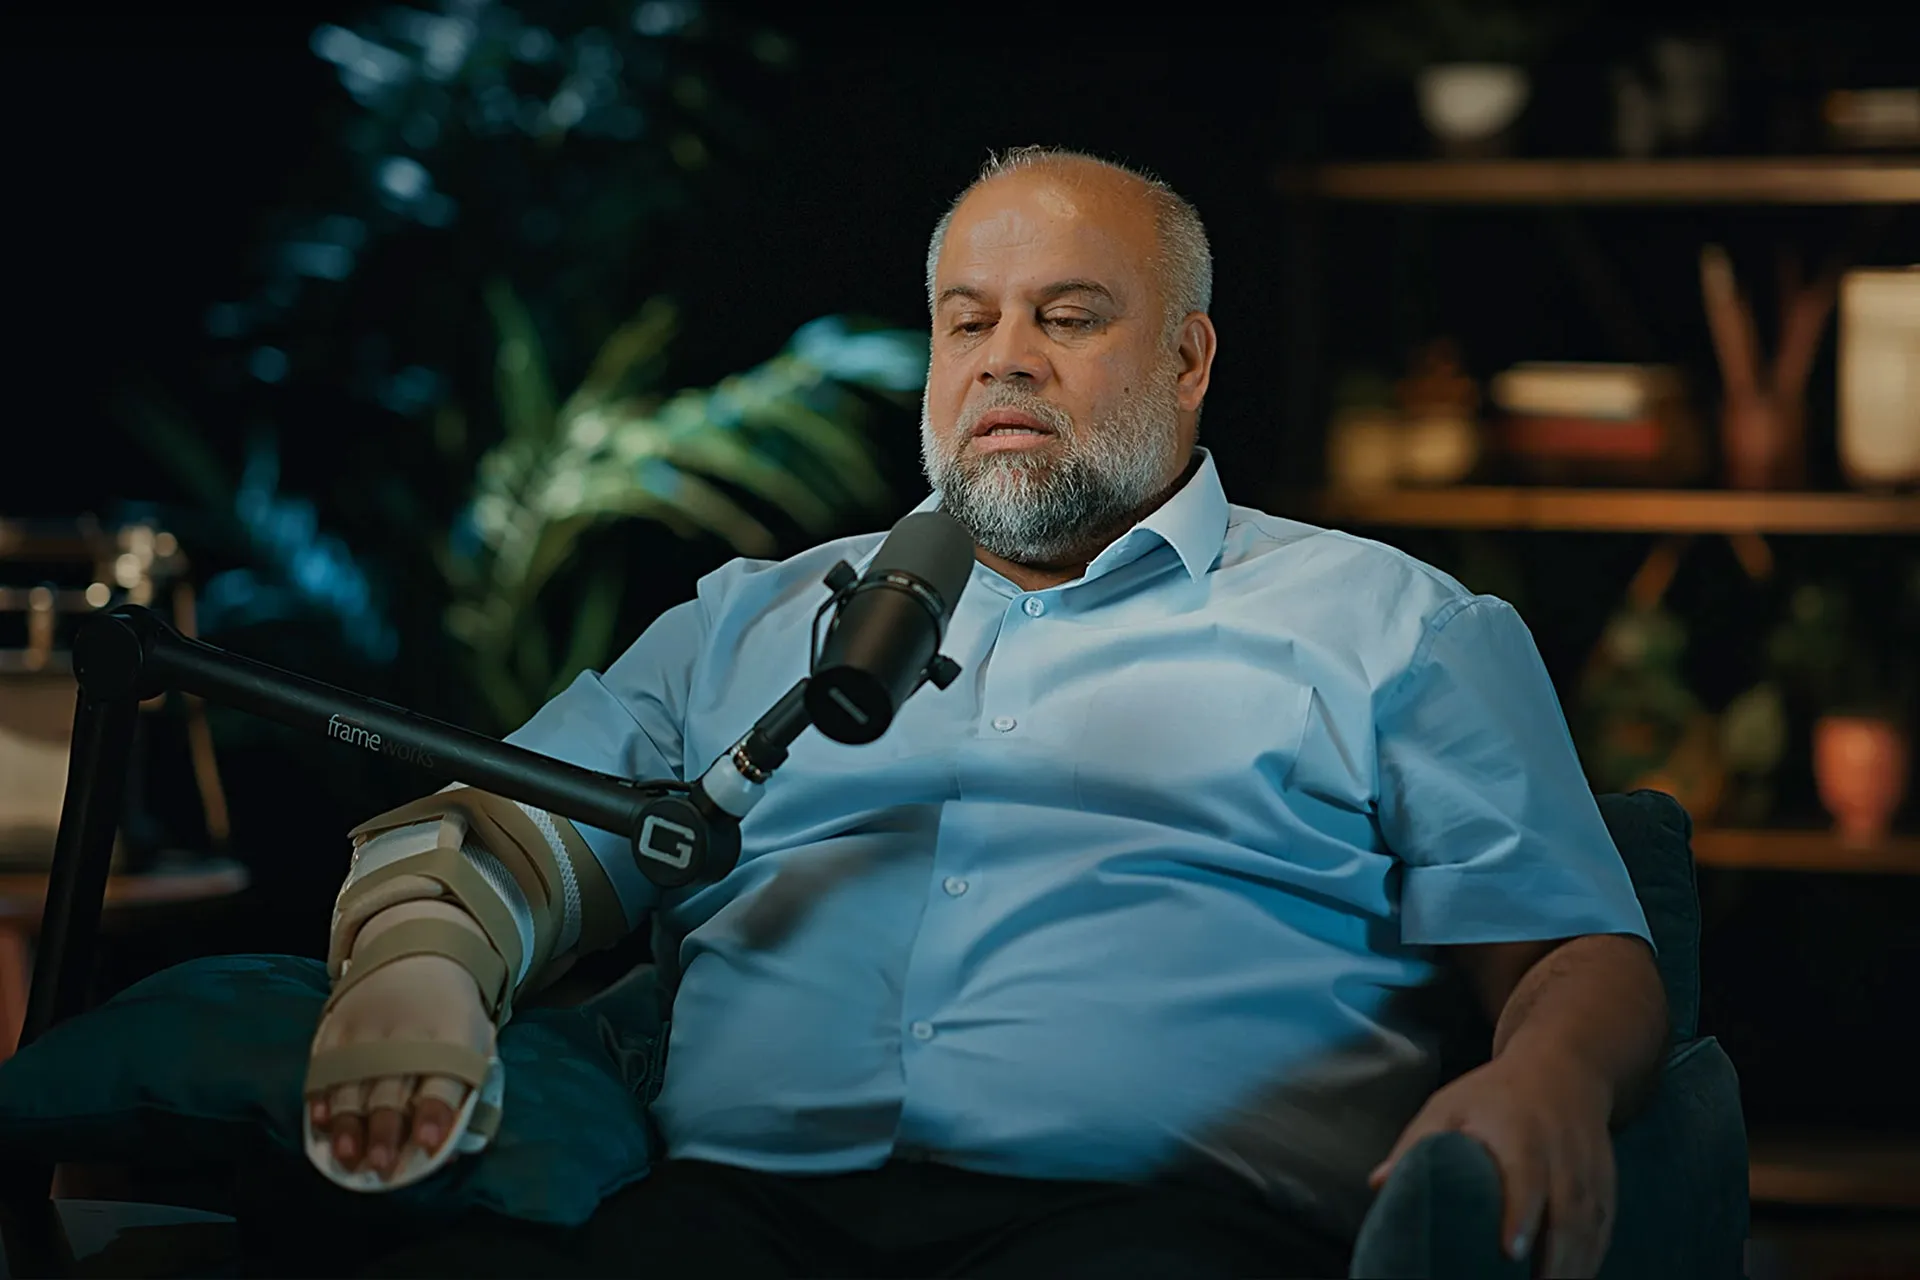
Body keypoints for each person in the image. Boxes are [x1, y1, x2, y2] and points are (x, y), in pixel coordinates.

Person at [304, 147, 1668, 1279]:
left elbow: (1573, 951)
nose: (1005, 360)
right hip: (738, 1221)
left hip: (1163, 1232)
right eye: (968, 322)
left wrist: (1549, 1078)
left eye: (1067, 318)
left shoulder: (1392, 624)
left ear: (1188, 358)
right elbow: (495, 835)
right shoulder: (751, 622)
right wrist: (421, 965)